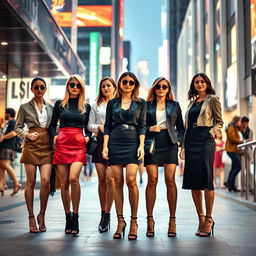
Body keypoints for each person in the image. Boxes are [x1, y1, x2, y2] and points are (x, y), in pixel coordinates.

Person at [102, 72, 146, 240]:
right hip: (115, 141)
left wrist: (141, 146)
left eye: (131, 82)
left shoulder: (140, 103)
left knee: (131, 180)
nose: (128, 84)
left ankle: (133, 221)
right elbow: (107, 125)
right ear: (120, 84)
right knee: (117, 182)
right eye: (125, 81)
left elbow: (142, 125)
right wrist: (105, 146)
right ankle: (120, 221)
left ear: (135, 85)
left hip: (133, 141)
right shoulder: (112, 103)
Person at [180, 72, 223, 237]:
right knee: (193, 181)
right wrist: (183, 146)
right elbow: (187, 127)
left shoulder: (212, 99)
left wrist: (210, 133)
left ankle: (209, 218)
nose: (199, 84)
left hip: (205, 141)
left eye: (202, 81)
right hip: (191, 141)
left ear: (207, 83)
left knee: (206, 179)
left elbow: (219, 122)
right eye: (196, 82)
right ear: (194, 85)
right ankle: (201, 218)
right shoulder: (191, 104)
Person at [49, 74, 91, 235]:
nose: (74, 87)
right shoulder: (60, 104)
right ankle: (68, 217)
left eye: (77, 85)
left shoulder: (86, 106)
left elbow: (88, 128)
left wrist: (88, 138)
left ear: (81, 88)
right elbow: (52, 125)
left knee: (74, 178)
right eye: (72, 85)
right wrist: (54, 136)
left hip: (78, 144)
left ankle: (76, 215)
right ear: (67, 86)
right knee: (64, 182)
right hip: (62, 143)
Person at [144, 77, 185, 237]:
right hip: (152, 143)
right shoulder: (146, 105)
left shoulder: (174, 105)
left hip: (169, 144)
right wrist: (150, 128)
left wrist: (180, 143)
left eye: (164, 87)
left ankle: (172, 220)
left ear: (168, 89)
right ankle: (149, 220)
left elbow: (181, 127)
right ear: (154, 88)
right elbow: (140, 126)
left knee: (170, 180)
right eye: (158, 87)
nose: (161, 89)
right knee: (152, 179)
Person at [15, 77, 53, 233]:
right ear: (31, 89)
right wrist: (27, 135)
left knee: (45, 181)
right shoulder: (24, 107)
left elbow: (53, 127)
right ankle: (31, 217)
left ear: (45, 89)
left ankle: (41, 215)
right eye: (36, 87)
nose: (39, 90)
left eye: (42, 87)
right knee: (30, 182)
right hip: (31, 146)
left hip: (47, 147)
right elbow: (17, 127)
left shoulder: (51, 108)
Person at [87, 77, 117, 233]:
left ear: (114, 87)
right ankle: (102, 212)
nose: (106, 88)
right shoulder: (96, 105)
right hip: (99, 142)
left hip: (116, 142)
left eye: (109, 85)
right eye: (103, 86)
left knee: (111, 179)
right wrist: (99, 126)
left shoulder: (119, 103)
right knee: (102, 180)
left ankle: (108, 214)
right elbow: (89, 125)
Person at [0, 108, 21, 197]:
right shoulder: (8, 123)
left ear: (8, 114)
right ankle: (2, 185)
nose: (4, 114)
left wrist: (3, 137)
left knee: (5, 165)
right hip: (4, 147)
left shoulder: (13, 122)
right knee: (2, 166)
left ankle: (16, 184)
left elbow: (14, 133)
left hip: (8, 147)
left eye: (5, 113)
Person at [224, 116, 243, 192]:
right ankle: (229, 184)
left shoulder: (236, 128)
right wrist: (243, 142)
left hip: (235, 150)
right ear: (236, 121)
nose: (240, 123)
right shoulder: (231, 127)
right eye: (239, 121)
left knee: (234, 168)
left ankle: (231, 185)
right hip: (232, 150)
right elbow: (233, 139)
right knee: (238, 167)